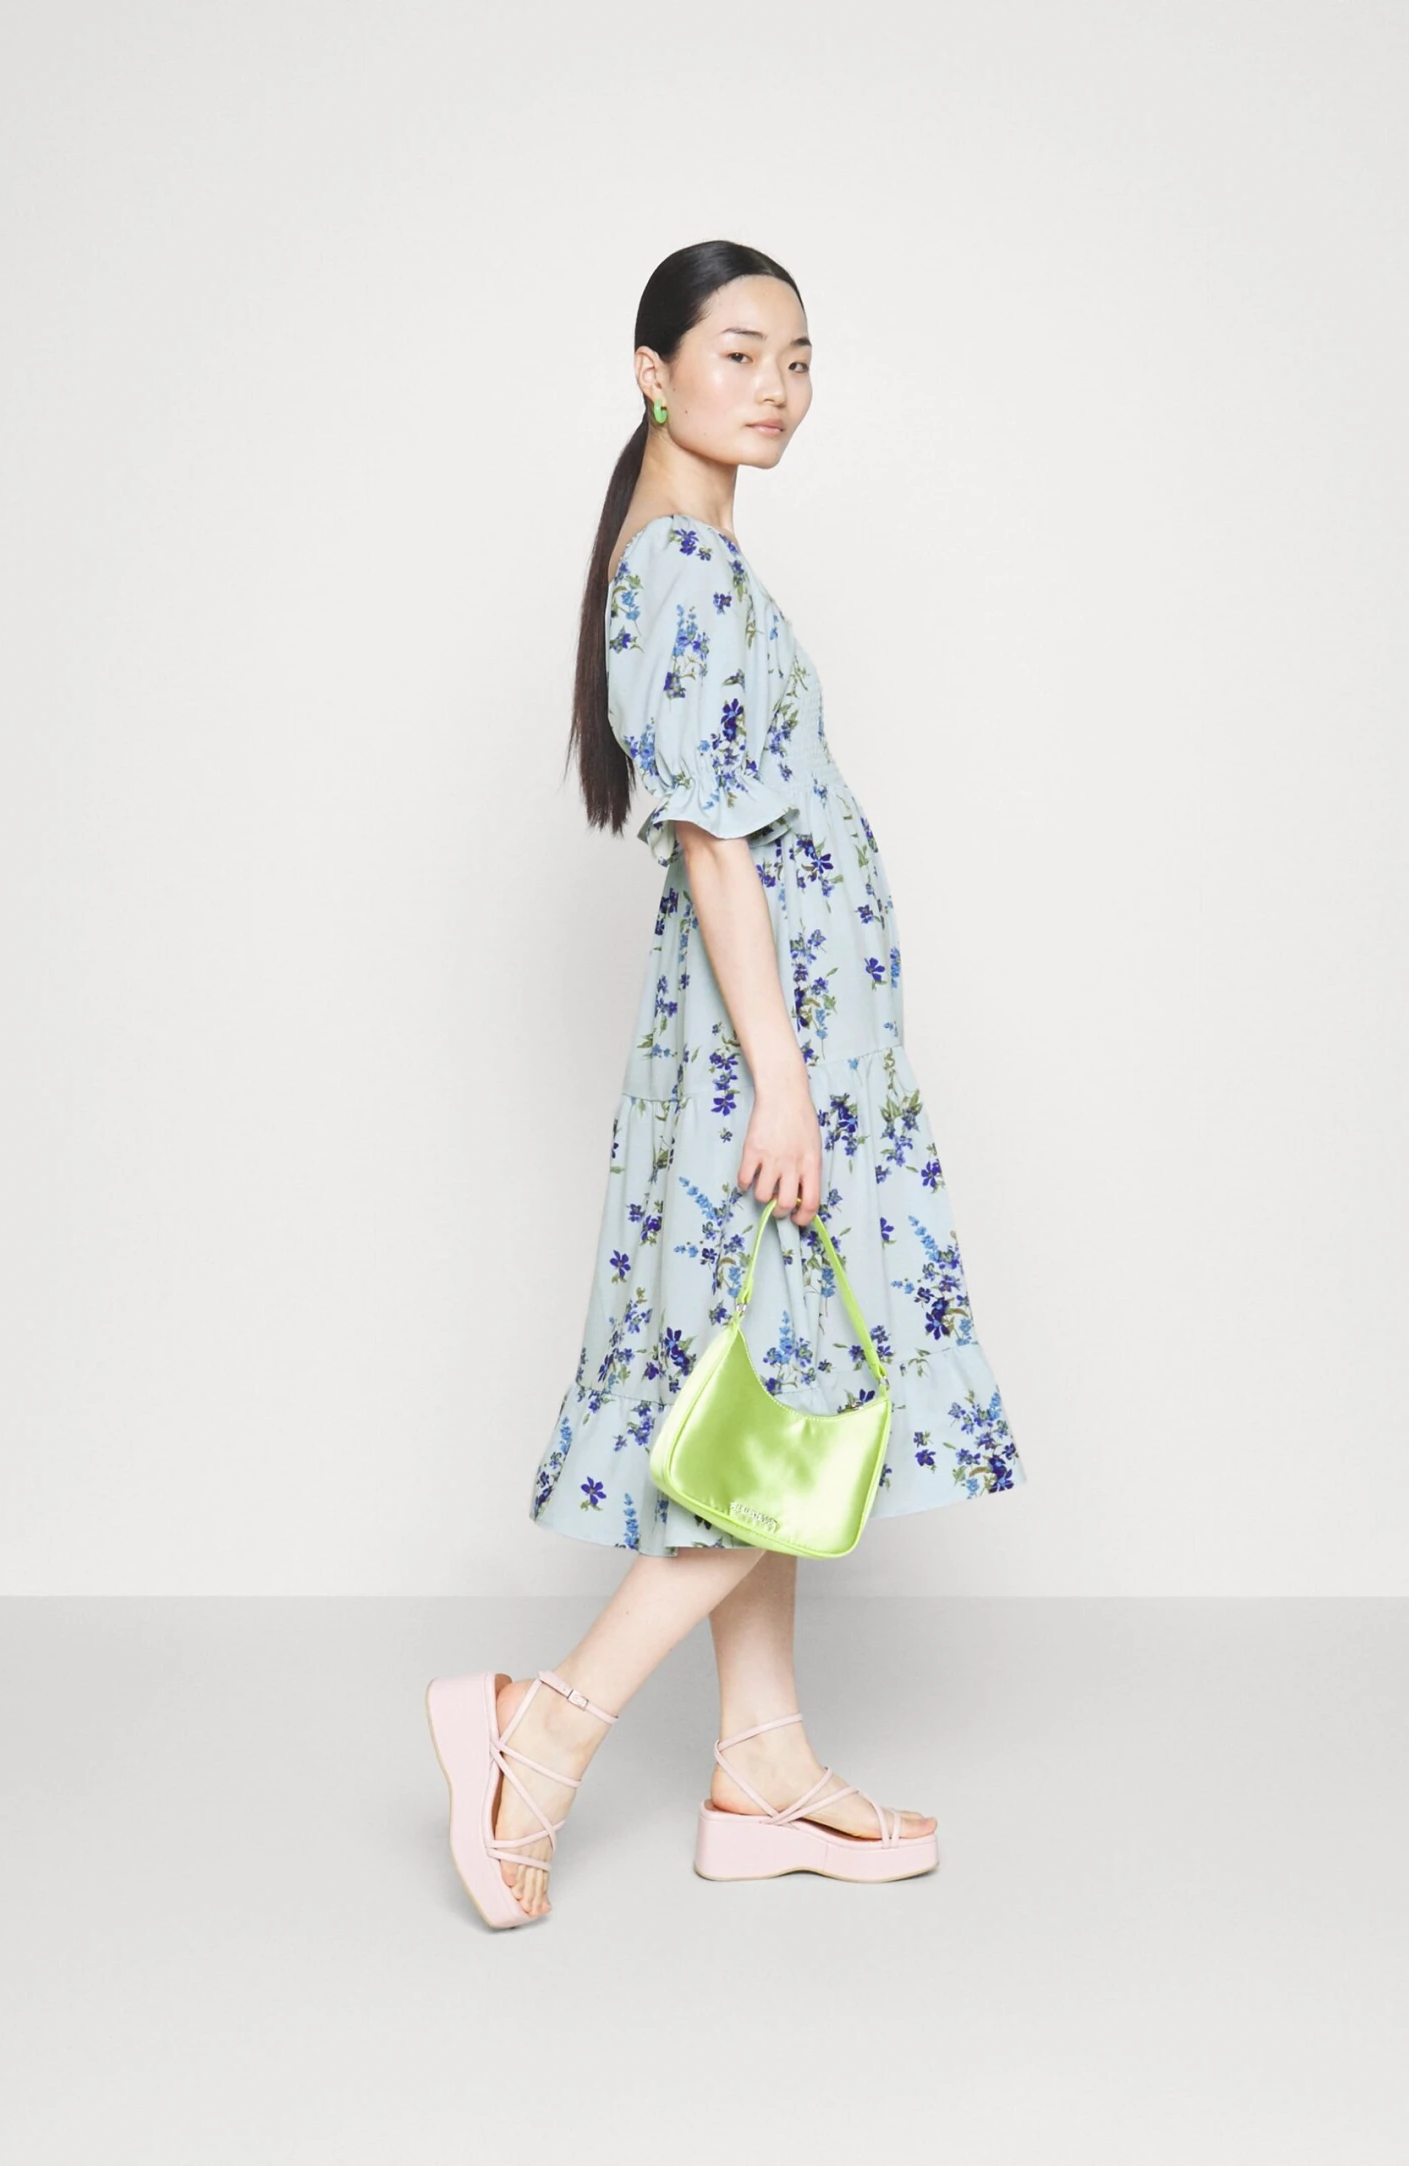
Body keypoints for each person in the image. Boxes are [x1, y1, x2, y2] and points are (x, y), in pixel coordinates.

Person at [426, 239, 1024, 1929]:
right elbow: (714, 846)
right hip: (771, 1049)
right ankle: (538, 1734)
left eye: (800, 358)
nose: (778, 388)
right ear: (653, 372)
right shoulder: (681, 567)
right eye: (742, 352)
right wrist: (781, 1082)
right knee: (782, 1406)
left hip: (791, 1040)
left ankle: (762, 1763)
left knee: (764, 1392)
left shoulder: (692, 559)